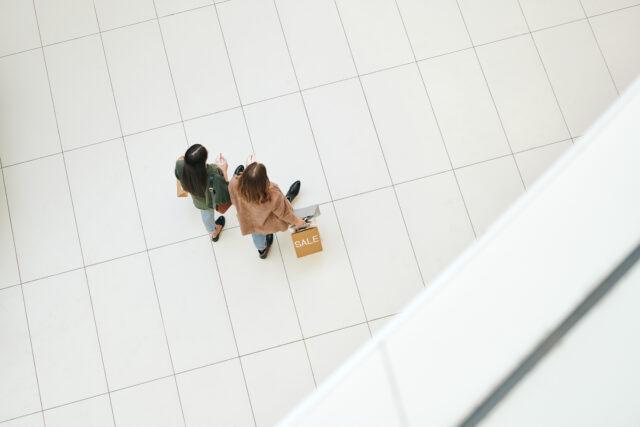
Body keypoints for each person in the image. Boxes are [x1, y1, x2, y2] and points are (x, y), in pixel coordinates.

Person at [229, 161, 304, 259]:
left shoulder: (234, 183)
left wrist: (251, 173)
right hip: (264, 222)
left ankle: (262, 251)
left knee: (256, 236)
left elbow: (234, 199)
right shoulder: (272, 195)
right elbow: (284, 214)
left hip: (248, 220)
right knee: (283, 206)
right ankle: (288, 199)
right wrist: (297, 221)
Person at [175, 144, 237, 242]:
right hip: (209, 200)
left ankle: (212, 232)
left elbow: (178, 177)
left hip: (198, 200)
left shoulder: (179, 164)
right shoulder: (213, 172)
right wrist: (224, 170)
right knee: (208, 213)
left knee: (206, 216)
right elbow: (223, 191)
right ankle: (214, 232)